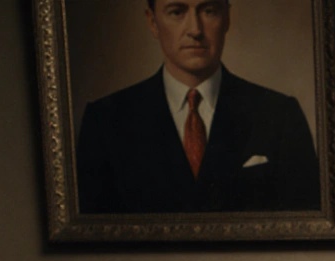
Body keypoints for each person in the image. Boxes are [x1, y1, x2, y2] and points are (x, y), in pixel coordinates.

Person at [76, 0, 320, 214]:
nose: (195, 30)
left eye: (209, 10)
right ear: (152, 22)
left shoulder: (280, 116)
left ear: (227, 18)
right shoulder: (104, 122)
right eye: (176, 12)